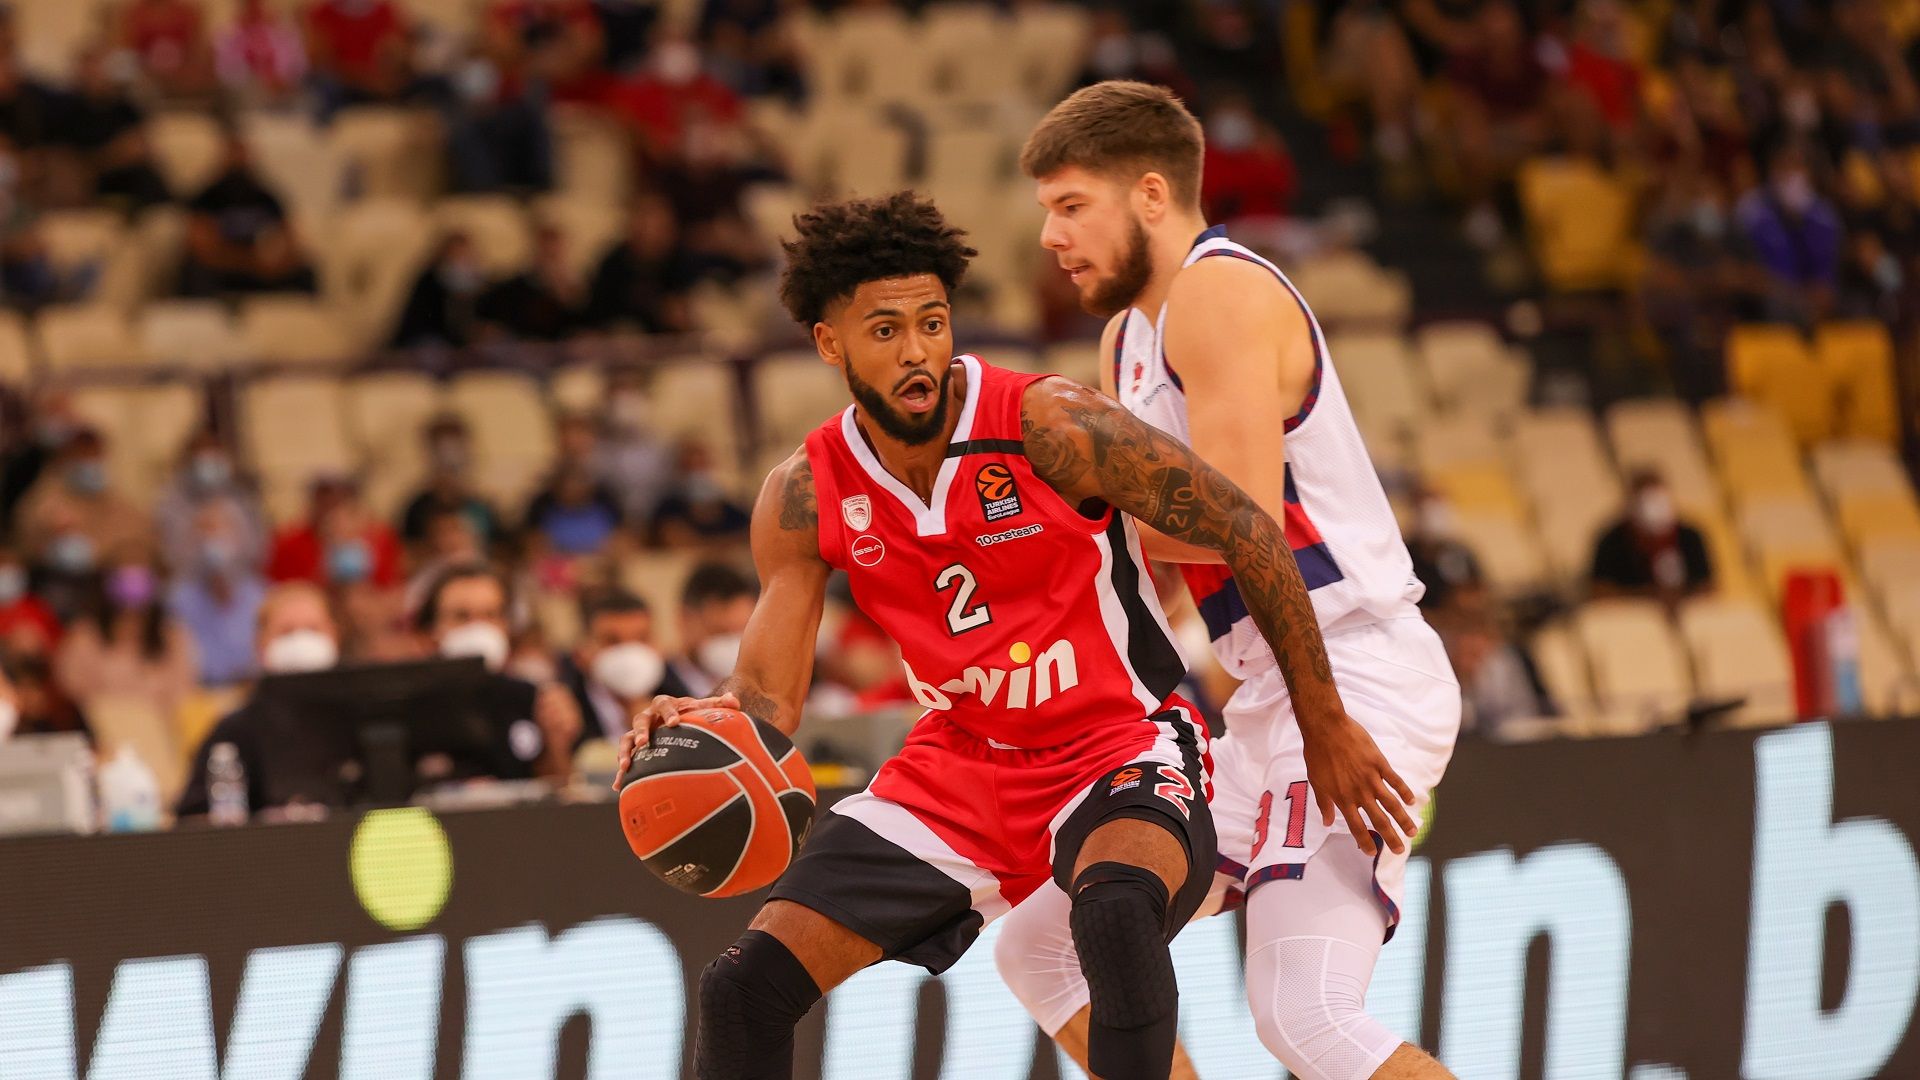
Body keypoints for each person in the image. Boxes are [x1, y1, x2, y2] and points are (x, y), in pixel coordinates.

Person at [609, 192, 1411, 1080]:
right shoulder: (803, 491)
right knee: (741, 988)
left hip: (1117, 744)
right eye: (884, 330)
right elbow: (767, 697)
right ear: (830, 344)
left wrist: (1322, 718)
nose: (916, 351)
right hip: (958, 765)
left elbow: (1248, 527)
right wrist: (708, 720)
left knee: (1114, 915)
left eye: (931, 322)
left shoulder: (1051, 424)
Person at [996, 82, 1461, 1080]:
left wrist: (1066, 526)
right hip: (1263, 694)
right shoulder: (1128, 336)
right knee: (1040, 948)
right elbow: (1155, 568)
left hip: (1349, 674)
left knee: (1307, 1016)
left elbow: (1239, 524)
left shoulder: (1220, 296)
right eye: (1046, 210)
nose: (1049, 236)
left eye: (1071, 206)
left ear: (1151, 195)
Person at [175, 581, 341, 818]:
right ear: (261, 644)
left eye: (313, 629)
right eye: (286, 632)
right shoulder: (235, 732)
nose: (301, 640)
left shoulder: (361, 721)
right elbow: (195, 816)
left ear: (334, 635)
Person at [417, 561, 580, 782]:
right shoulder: (406, 706)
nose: (478, 628)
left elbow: (557, 786)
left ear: (506, 626)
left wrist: (557, 743)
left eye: (491, 615)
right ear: (430, 634)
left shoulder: (530, 699)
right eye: (462, 617)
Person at [55, 559, 198, 723]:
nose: (131, 621)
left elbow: (183, 689)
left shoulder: (173, 638)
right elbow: (72, 685)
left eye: (139, 613)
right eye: (123, 613)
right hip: (100, 725)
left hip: (158, 725)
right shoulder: (85, 637)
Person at [178, 129, 317, 297]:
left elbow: (290, 239)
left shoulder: (265, 196)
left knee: (305, 272)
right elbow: (202, 249)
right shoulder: (207, 197)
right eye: (234, 156)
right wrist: (248, 263)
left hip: (257, 268)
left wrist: (277, 263)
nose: (239, 162)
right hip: (221, 267)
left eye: (243, 156)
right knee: (195, 273)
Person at [558, 587, 689, 745]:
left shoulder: (681, 702)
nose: (630, 653)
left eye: (642, 639)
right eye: (612, 641)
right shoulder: (566, 710)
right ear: (581, 653)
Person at [168, 501, 269, 686]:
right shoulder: (179, 600)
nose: (212, 539)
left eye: (222, 530)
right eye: (204, 531)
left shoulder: (262, 596)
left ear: (242, 536)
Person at [1588, 469, 1713, 604]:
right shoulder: (1611, 541)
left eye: (1657, 500)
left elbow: (1709, 588)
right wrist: (1648, 596)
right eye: (1644, 502)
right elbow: (1600, 592)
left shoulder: (1690, 537)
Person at [397, 414, 502, 549]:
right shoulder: (417, 509)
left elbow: (499, 550)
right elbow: (410, 551)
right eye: (441, 450)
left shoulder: (482, 508)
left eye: (456, 449)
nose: (449, 458)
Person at [665, 560, 756, 698]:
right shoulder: (655, 687)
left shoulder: (760, 691)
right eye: (720, 632)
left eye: (741, 632)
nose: (733, 644)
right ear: (684, 620)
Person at [648, 441, 750, 547]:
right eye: (690, 466)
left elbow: (747, 533)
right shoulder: (669, 507)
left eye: (702, 465)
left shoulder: (729, 509)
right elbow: (676, 538)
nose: (698, 473)